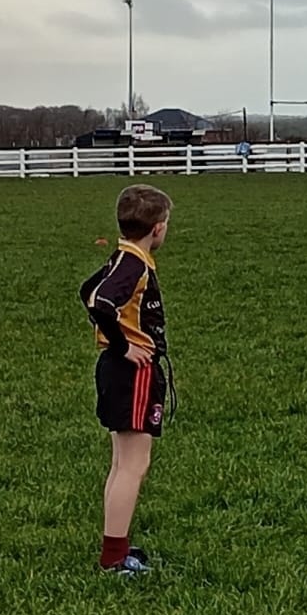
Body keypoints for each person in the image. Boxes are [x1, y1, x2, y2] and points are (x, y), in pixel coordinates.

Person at [79, 184, 173, 576]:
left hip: (120, 369)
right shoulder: (133, 264)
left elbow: (87, 292)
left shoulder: (124, 257)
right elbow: (100, 303)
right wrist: (123, 346)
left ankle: (116, 545)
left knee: (123, 463)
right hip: (130, 371)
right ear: (157, 228)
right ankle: (114, 559)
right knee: (133, 465)